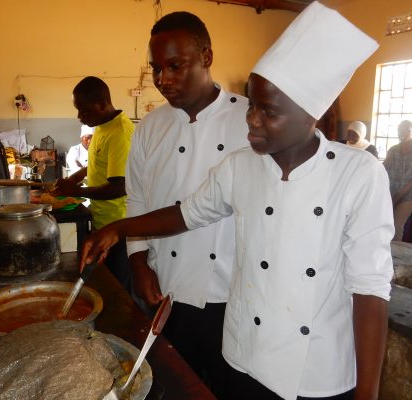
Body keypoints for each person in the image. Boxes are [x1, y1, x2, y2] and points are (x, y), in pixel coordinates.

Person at [80, 3, 394, 400]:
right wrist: (119, 232)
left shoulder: (357, 175)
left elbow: (369, 288)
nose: (252, 120)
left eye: (268, 110)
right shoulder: (240, 166)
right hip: (244, 353)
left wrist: (368, 392)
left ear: (311, 115)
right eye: (253, 104)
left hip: (316, 370)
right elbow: (185, 214)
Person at [124, 11, 249, 398]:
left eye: (175, 66)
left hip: (231, 296)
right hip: (167, 289)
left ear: (206, 57)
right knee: (176, 387)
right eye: (156, 68)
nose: (163, 79)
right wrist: (138, 260)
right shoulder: (150, 127)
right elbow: (138, 199)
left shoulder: (249, 120)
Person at [54, 76, 134, 289]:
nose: (80, 117)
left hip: (119, 227)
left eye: (84, 111)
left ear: (102, 104)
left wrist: (78, 191)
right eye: (78, 110)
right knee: (104, 282)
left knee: (120, 287)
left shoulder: (120, 133)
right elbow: (100, 162)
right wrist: (77, 176)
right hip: (103, 220)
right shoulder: (102, 125)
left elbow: (119, 187)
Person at [383, 120, 412, 242]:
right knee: (379, 223)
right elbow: (383, 171)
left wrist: (395, 199)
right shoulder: (393, 150)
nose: (401, 133)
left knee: (395, 226)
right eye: (399, 130)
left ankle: (395, 258)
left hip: (409, 196)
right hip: (390, 193)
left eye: (405, 130)